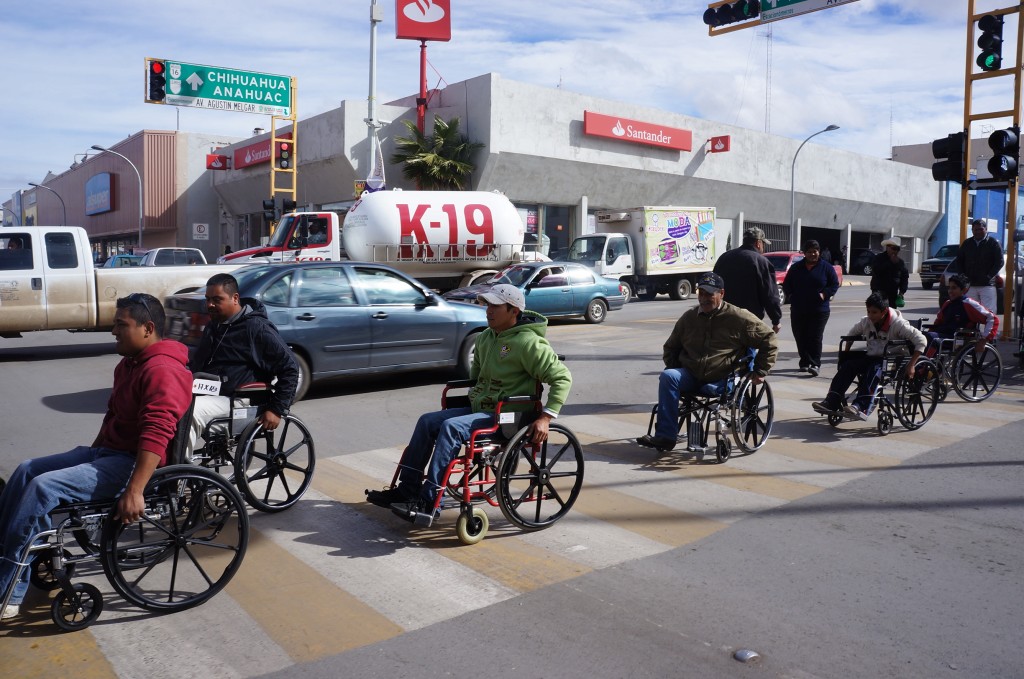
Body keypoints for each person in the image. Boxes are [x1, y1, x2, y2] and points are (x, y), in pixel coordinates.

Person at [0, 294, 192, 620]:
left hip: (131, 464)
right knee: (26, 471)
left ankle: (8, 591)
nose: (114, 331)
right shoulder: (130, 364)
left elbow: (157, 433)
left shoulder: (162, 369)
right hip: (107, 453)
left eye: (121, 325)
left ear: (147, 328)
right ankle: (12, 554)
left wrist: (134, 490)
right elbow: (113, 419)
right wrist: (86, 460)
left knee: (44, 488)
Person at [365, 284, 571, 526]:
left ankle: (430, 502)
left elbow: (562, 378)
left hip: (509, 415)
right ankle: (407, 489)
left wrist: (545, 417)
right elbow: (476, 379)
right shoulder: (485, 338)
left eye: (495, 306)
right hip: (482, 409)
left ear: (514, 310)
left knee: (452, 427)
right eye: (487, 305)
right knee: (427, 421)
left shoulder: (529, 343)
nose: (488, 310)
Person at [636, 272, 778, 453]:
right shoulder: (689, 318)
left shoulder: (739, 318)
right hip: (691, 373)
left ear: (722, 294)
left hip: (721, 379)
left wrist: (760, 371)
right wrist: (675, 366)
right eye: (701, 293)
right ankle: (666, 436)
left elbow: (769, 339)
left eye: (709, 294)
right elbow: (671, 347)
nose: (703, 298)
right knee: (668, 376)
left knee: (703, 384)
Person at [188, 273, 299, 454]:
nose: (210, 305)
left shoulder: (256, 328)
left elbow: (290, 367)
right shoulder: (214, 325)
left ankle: (177, 477)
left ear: (235, 298)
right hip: (211, 391)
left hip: (239, 399)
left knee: (190, 412)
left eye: (217, 299)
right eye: (207, 299)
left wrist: (277, 409)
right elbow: (197, 363)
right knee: (167, 405)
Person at [812, 292, 927, 421]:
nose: (870, 315)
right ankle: (831, 401)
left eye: (874, 312)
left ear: (883, 312)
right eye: (868, 311)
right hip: (872, 356)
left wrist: (911, 365)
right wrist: (846, 354)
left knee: (874, 369)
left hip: (892, 359)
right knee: (848, 366)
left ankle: (860, 406)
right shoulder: (866, 321)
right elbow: (851, 335)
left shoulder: (898, 324)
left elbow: (921, 340)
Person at [782, 240, 840, 377]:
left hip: (819, 310)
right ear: (804, 253)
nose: (812, 254)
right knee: (800, 336)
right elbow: (787, 284)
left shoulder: (826, 267)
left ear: (819, 252)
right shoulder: (796, 268)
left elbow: (834, 284)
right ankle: (805, 362)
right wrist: (791, 296)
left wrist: (824, 294)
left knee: (814, 336)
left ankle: (815, 364)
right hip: (798, 309)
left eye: (815, 251)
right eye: (809, 252)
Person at [712, 226, 782, 333]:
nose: (763, 248)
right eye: (763, 244)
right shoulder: (761, 262)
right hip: (748, 320)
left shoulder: (724, 257)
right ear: (758, 243)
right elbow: (769, 294)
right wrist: (776, 319)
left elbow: (713, 286)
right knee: (748, 349)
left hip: (723, 317)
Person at [923, 273, 998, 357]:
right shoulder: (948, 304)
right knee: (920, 337)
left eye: (954, 288)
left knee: (930, 337)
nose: (950, 291)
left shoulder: (969, 304)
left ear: (963, 290)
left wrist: (984, 340)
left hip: (958, 340)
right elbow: (938, 322)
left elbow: (992, 318)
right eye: (949, 288)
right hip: (943, 336)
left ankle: (923, 366)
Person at [953, 219, 1004, 313]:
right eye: (975, 230)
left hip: (987, 285)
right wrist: (963, 276)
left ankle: (988, 328)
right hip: (970, 285)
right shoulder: (967, 243)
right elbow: (959, 261)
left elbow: (1000, 262)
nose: (978, 232)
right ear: (972, 230)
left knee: (989, 313)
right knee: (970, 312)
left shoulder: (993, 243)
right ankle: (972, 328)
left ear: (986, 229)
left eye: (981, 229)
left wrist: (989, 276)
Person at [870, 237, 909, 309]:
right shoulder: (879, 258)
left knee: (891, 316)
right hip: (879, 293)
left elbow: (904, 277)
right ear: (887, 248)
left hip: (892, 294)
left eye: (898, 249)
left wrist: (902, 292)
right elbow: (876, 271)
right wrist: (890, 262)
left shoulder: (900, 262)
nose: (896, 251)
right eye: (894, 248)